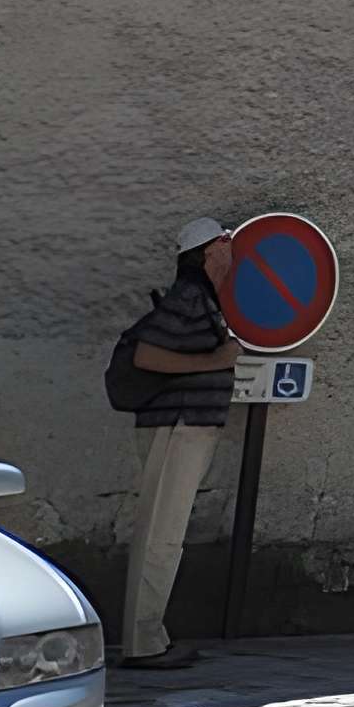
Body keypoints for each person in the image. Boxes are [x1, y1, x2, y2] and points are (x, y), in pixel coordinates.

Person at [114, 217, 241, 669]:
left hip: (182, 426)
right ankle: (145, 644)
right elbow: (147, 355)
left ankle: (148, 637)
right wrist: (216, 359)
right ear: (209, 252)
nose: (233, 249)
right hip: (177, 427)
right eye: (227, 242)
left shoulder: (200, 298)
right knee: (161, 536)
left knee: (162, 534)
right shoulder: (189, 297)